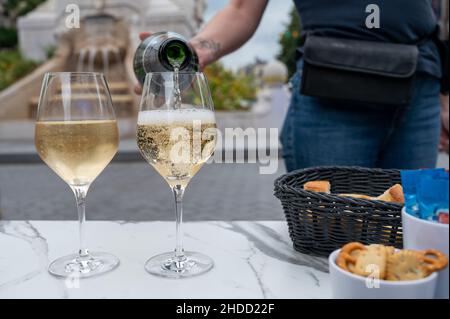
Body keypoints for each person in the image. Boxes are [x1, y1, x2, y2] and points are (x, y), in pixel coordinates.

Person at [136, 0, 449, 171]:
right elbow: (243, 8)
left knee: (407, 229)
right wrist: (199, 49)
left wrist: (444, 92)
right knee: (332, 238)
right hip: (333, 88)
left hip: (420, 83)